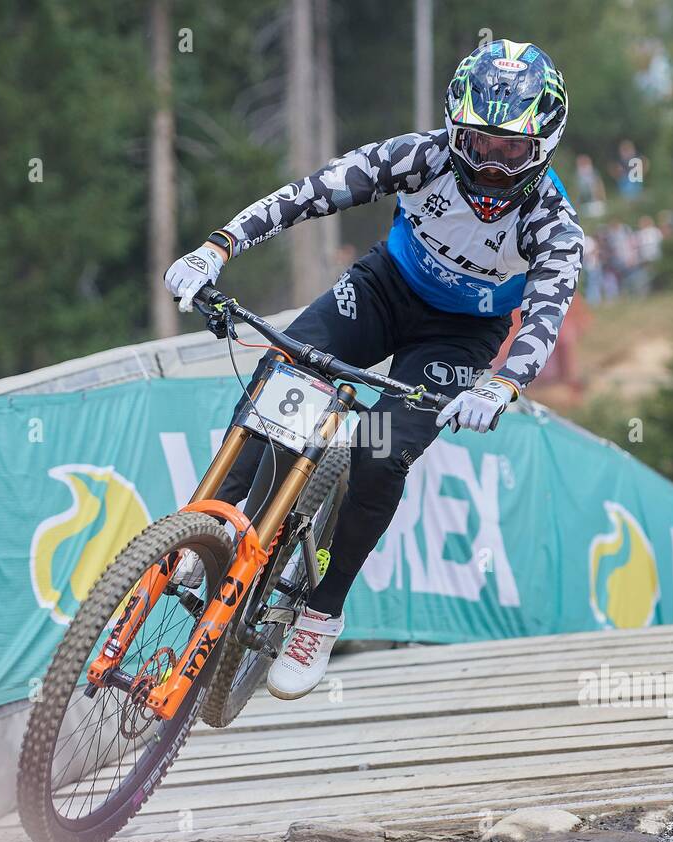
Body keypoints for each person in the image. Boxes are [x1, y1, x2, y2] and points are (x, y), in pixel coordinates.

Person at [163, 40, 582, 700]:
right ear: (453, 131)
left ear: (545, 145)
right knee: (284, 373)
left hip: (459, 337)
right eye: (478, 145)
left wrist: (504, 382)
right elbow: (312, 194)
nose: (493, 167)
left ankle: (322, 613)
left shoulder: (553, 222)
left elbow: (548, 312)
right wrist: (219, 245)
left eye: (512, 151)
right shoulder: (419, 158)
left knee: (379, 454)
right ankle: (213, 523)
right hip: (384, 290)